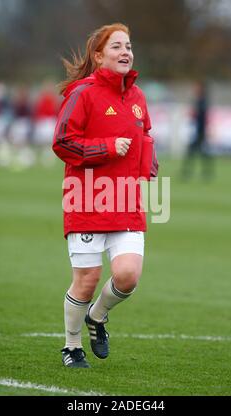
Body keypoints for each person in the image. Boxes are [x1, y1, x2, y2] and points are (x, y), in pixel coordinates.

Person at [52, 23, 158, 368]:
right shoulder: (82, 93)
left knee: (128, 275)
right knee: (87, 280)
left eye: (128, 46)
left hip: (126, 199)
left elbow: (144, 136)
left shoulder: (138, 97)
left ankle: (97, 318)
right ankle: (71, 346)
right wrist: (107, 148)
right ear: (98, 57)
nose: (125, 52)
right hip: (86, 198)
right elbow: (63, 142)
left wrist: (149, 161)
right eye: (116, 47)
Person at [181, 81, 214, 181]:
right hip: (198, 132)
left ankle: (188, 173)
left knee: (194, 153)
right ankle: (206, 173)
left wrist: (193, 114)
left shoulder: (202, 101)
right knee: (201, 154)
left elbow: (201, 117)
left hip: (200, 132)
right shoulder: (200, 100)